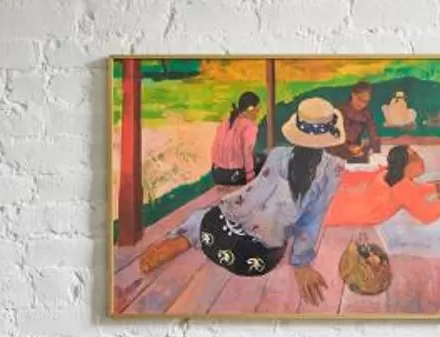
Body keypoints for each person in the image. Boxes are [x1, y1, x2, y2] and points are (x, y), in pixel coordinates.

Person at [139, 96, 349, 305]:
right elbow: (311, 220)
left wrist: (227, 208)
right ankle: (188, 237)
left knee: (215, 212)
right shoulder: (334, 169)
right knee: (266, 223)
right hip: (255, 259)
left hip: (215, 236)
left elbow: (249, 196)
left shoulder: (278, 154)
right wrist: (301, 263)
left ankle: (185, 237)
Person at [324, 144, 440, 230]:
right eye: (416, 157)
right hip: (344, 208)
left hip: (344, 197)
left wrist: (436, 187)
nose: (421, 159)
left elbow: (418, 188)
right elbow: (426, 215)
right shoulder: (401, 187)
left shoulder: (388, 173)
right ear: (406, 165)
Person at [207, 90, 261, 187]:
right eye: (257, 110)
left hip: (217, 174)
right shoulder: (249, 126)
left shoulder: (225, 122)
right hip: (234, 177)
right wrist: (250, 175)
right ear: (250, 109)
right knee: (264, 161)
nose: (257, 114)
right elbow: (247, 152)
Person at [340, 80, 380, 162]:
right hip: (338, 149)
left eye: (365, 102)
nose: (361, 104)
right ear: (353, 95)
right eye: (359, 99)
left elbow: (373, 134)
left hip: (356, 150)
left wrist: (377, 153)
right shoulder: (341, 111)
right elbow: (333, 136)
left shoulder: (366, 114)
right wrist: (346, 147)